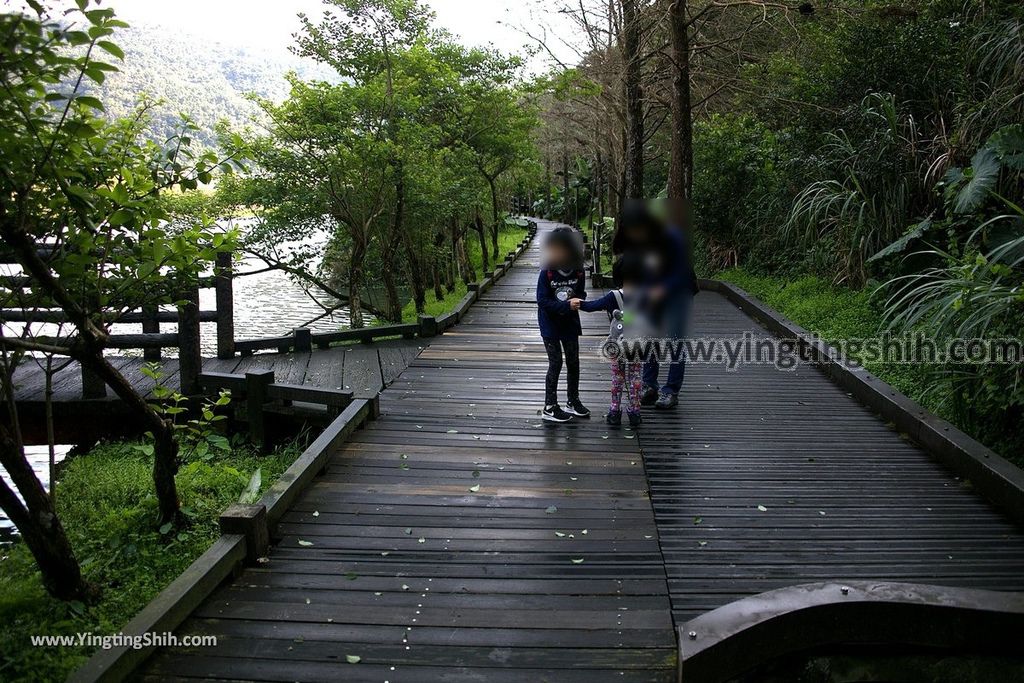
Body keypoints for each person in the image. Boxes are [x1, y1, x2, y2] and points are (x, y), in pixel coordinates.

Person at [611, 201, 698, 409]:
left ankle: (671, 391)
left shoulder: (672, 237)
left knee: (675, 340)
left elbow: (681, 272)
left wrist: (662, 289)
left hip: (679, 290)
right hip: (652, 292)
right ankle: (649, 385)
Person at [570, 253, 652, 427]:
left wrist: (579, 303)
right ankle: (634, 412)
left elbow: (593, 306)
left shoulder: (613, 296)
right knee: (636, 379)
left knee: (617, 379)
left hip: (617, 345)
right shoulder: (645, 296)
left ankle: (615, 411)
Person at [536, 227, 591, 422]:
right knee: (556, 361)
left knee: (573, 361)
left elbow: (581, 293)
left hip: (570, 322)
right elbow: (542, 301)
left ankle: (573, 401)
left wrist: (578, 301)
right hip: (549, 323)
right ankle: (550, 406)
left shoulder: (578, 270)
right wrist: (564, 305)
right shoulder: (547, 272)